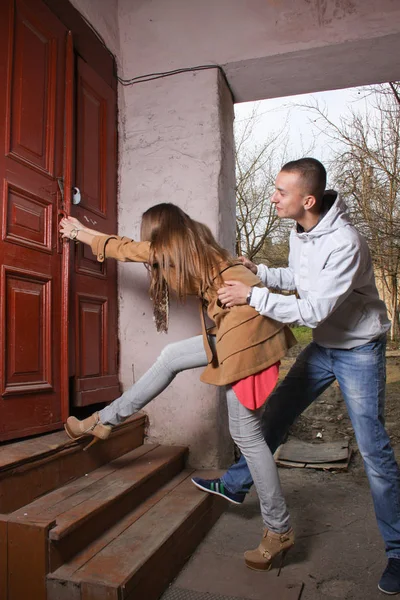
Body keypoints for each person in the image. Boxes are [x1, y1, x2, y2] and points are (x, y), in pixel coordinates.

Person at [196, 157, 400, 595]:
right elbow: (299, 278)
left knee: (374, 452)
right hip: (325, 346)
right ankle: (235, 484)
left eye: (280, 192)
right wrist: (260, 272)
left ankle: (398, 552)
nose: (273, 197)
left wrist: (252, 294)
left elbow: (312, 309)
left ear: (307, 199)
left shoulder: (345, 242)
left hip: (359, 349)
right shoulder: (303, 231)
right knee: (275, 417)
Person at [59, 203, 297, 571]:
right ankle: (104, 420)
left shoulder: (172, 248)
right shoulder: (195, 238)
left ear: (158, 230)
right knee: (172, 356)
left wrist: (78, 232)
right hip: (243, 324)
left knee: (247, 436)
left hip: (245, 330)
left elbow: (122, 247)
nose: (146, 239)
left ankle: (278, 529)